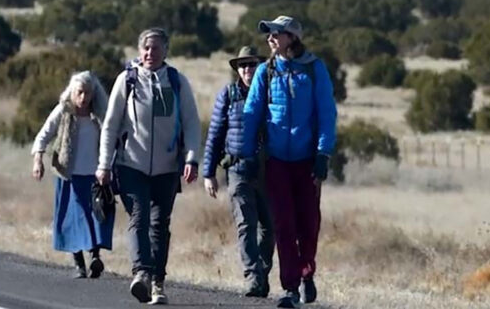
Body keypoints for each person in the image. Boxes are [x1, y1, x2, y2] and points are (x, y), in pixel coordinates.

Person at [232, 16, 337, 309]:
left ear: (291, 37)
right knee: (283, 224)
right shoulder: (266, 72)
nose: (270, 39)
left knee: (309, 223)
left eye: (276, 33)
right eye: (269, 34)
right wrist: (249, 154)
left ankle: (307, 273)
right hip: (276, 160)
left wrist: (323, 154)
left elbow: (327, 114)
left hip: (307, 161)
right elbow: (252, 114)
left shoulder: (315, 70)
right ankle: (290, 287)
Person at [97, 27, 202, 305]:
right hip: (131, 163)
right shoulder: (127, 80)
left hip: (168, 168)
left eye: (155, 48)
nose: (149, 53)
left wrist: (191, 158)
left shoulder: (177, 82)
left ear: (166, 50)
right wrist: (104, 164)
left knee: (159, 226)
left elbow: (192, 123)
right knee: (139, 218)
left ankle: (158, 282)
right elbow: (110, 126)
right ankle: (141, 273)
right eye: (145, 47)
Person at [202, 45, 275, 298]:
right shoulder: (229, 95)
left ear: (260, 67)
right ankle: (253, 277)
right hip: (238, 170)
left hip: (269, 171)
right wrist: (208, 172)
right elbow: (215, 134)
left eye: (252, 64)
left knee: (270, 227)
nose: (247, 69)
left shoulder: (271, 94)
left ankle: (263, 273)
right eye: (242, 65)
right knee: (246, 225)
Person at [31, 71, 114, 279]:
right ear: (72, 92)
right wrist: (38, 160)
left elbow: (114, 138)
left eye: (87, 93)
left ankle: (95, 256)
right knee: (73, 221)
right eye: (80, 92)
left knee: (98, 216)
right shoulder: (64, 111)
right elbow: (44, 134)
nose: (83, 98)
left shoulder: (101, 114)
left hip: (95, 176)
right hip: (69, 175)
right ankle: (79, 264)